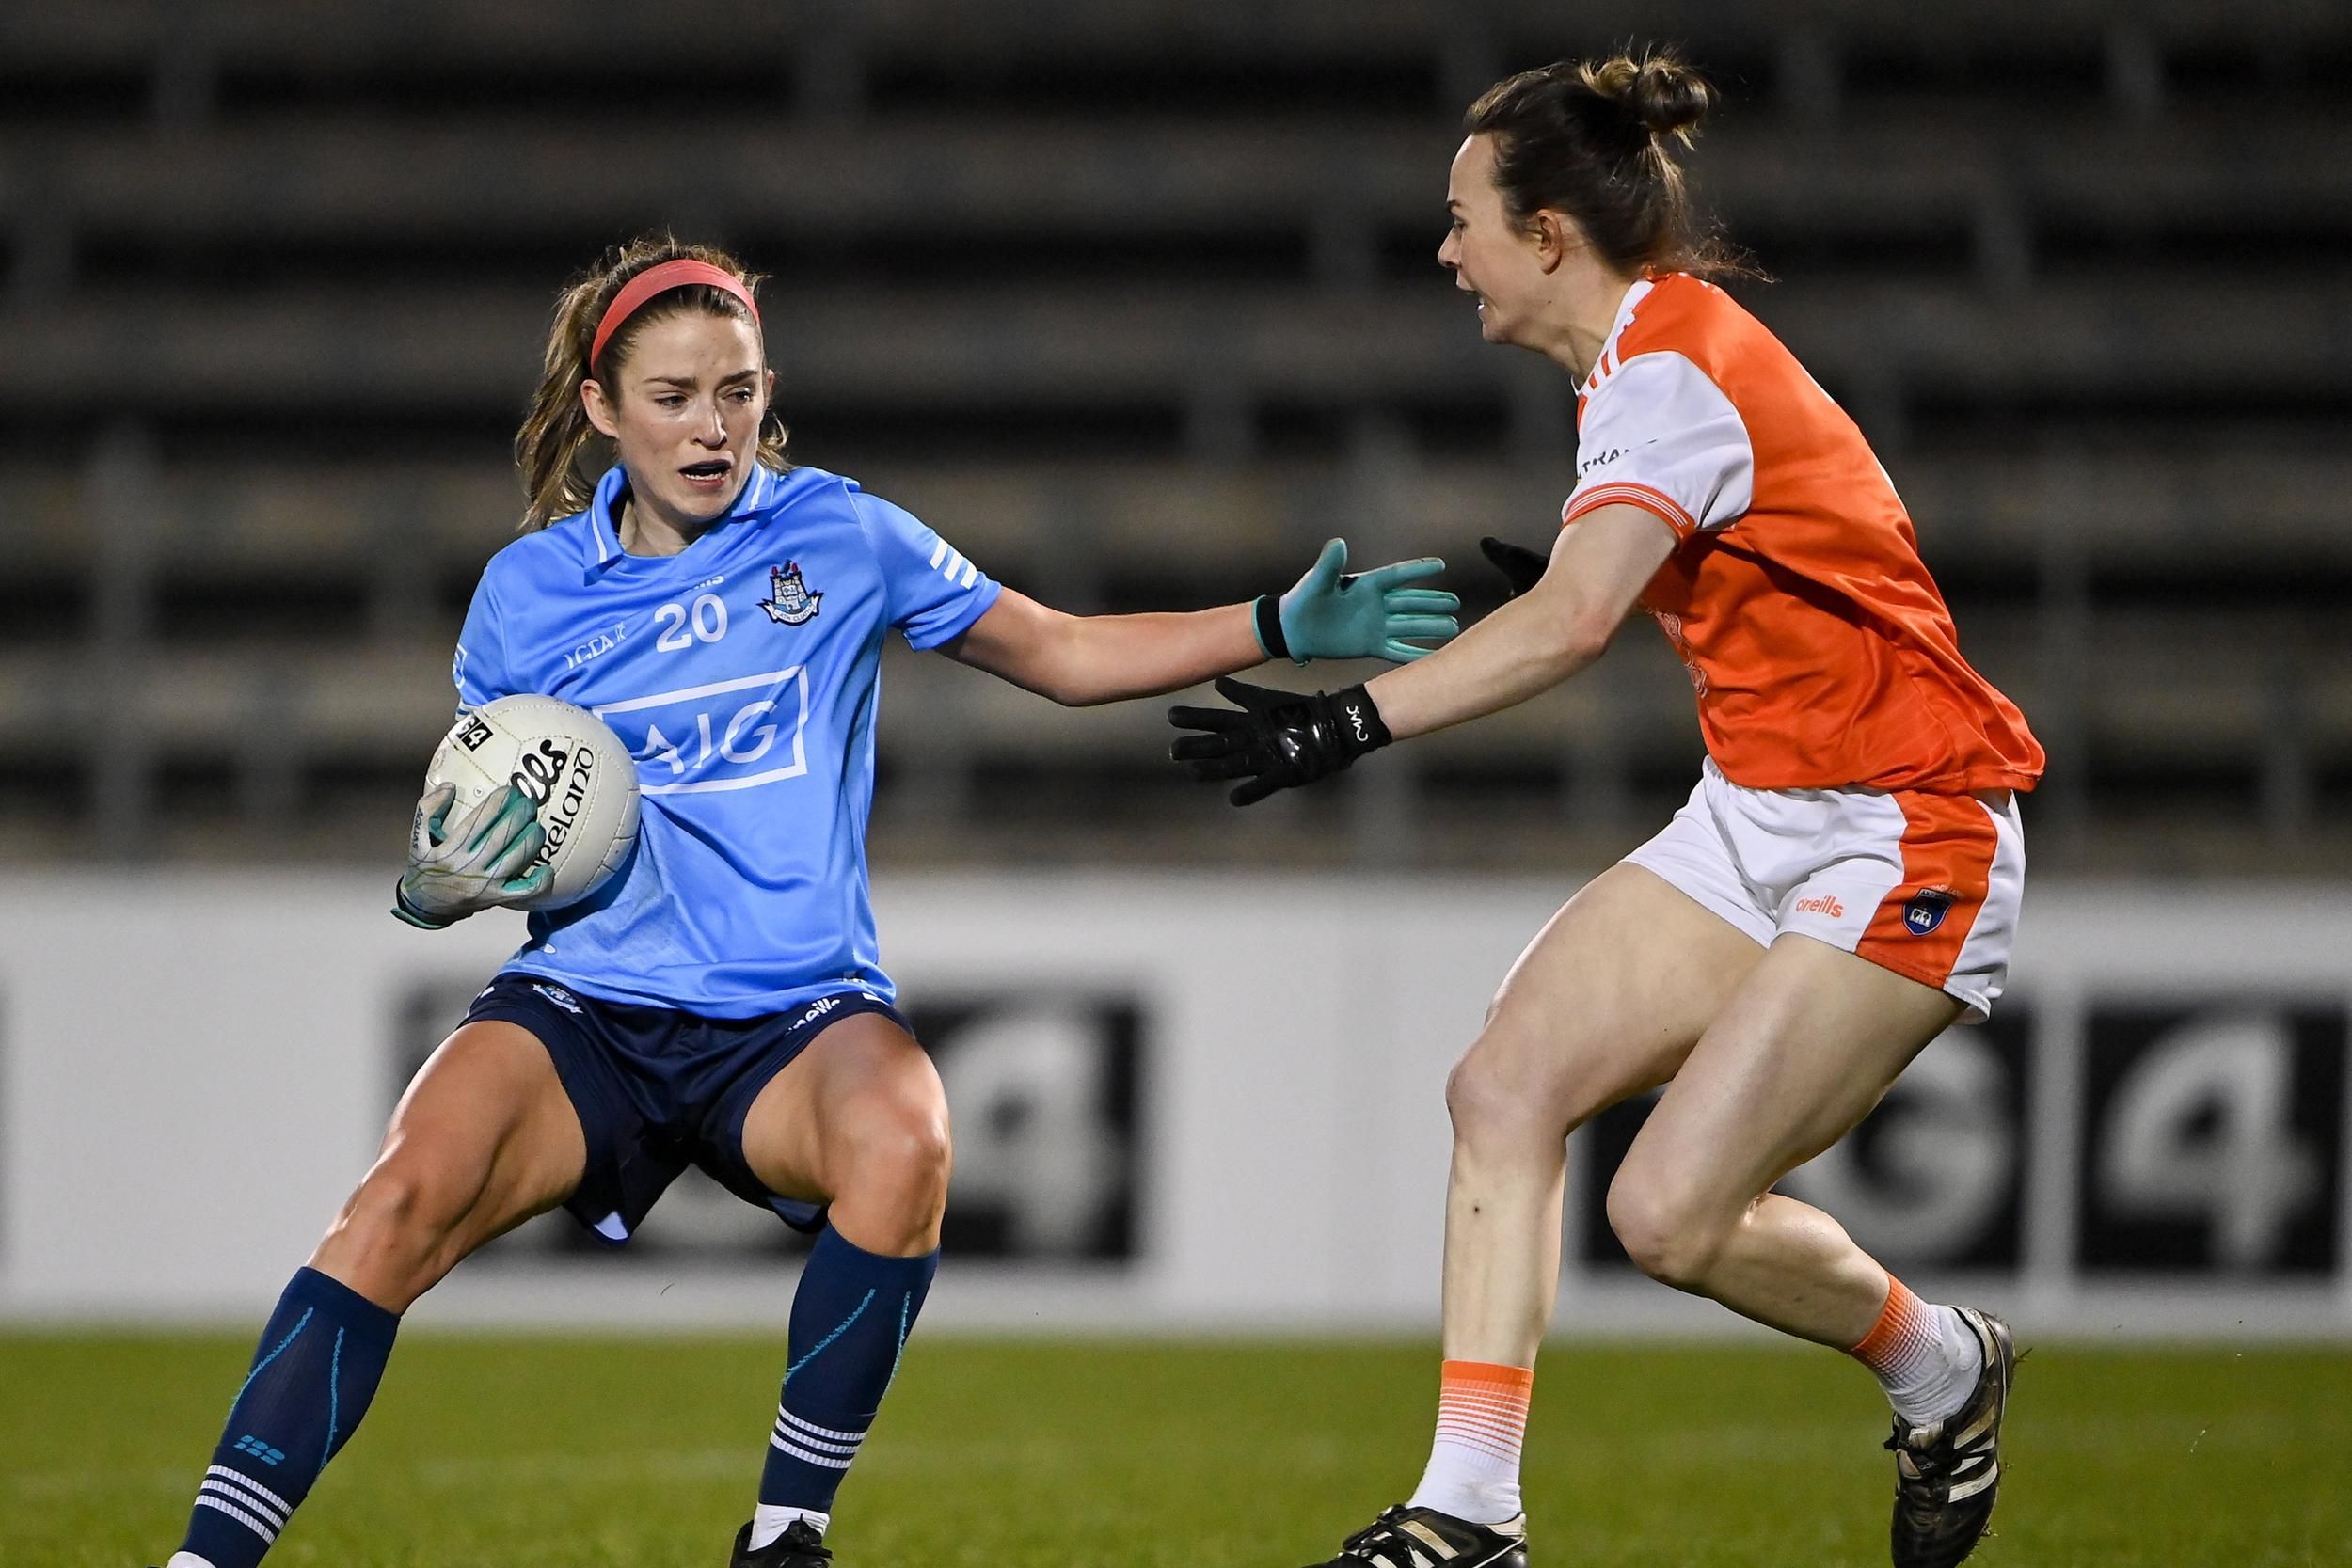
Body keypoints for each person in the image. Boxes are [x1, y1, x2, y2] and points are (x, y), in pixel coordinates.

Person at [155, 234, 1460, 1568]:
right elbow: (506, 816)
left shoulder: (841, 534)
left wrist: (1276, 627)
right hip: (585, 1006)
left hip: (792, 1013)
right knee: (392, 1204)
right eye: (672, 397)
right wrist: (437, 888)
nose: (713, 427)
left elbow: (1060, 652)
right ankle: (207, 1562)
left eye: (738, 391)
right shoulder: (522, 595)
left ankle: (785, 1539)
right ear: (603, 408)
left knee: (907, 1139)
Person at [1170, 50, 2042, 1568]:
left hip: (1910, 823)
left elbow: (1572, 622)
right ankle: (1470, 1512)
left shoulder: (1666, 369)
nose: (1448, 253)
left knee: (1670, 1221)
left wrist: (1348, 722)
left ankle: (1943, 1369)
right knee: (1501, 1090)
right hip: (1757, 812)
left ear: (1550, 235)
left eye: (1464, 221)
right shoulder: (1645, 364)